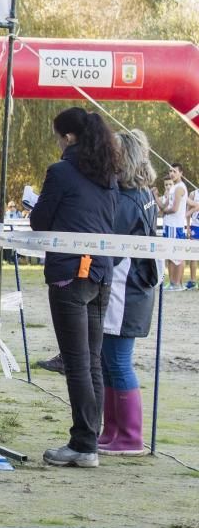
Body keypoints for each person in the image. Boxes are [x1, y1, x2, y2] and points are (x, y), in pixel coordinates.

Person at [30, 106, 119, 467]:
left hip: (70, 274)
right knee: (92, 362)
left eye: (57, 136)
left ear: (68, 137)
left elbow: (40, 221)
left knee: (76, 363)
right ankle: (89, 442)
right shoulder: (108, 174)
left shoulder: (61, 172)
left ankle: (83, 443)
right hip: (101, 274)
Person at [98, 129, 159, 456]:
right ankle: (113, 431)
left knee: (118, 362)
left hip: (126, 288)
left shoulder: (128, 199)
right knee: (110, 361)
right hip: (131, 286)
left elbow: (109, 236)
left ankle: (131, 436)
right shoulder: (143, 194)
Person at [159, 164, 187, 291]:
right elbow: (163, 206)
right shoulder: (172, 188)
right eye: (170, 171)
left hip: (175, 226)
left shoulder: (180, 188)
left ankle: (177, 284)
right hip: (168, 225)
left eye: (174, 171)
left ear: (181, 173)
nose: (171, 173)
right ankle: (172, 283)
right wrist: (155, 196)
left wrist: (165, 211)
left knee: (178, 256)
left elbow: (174, 209)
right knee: (169, 255)